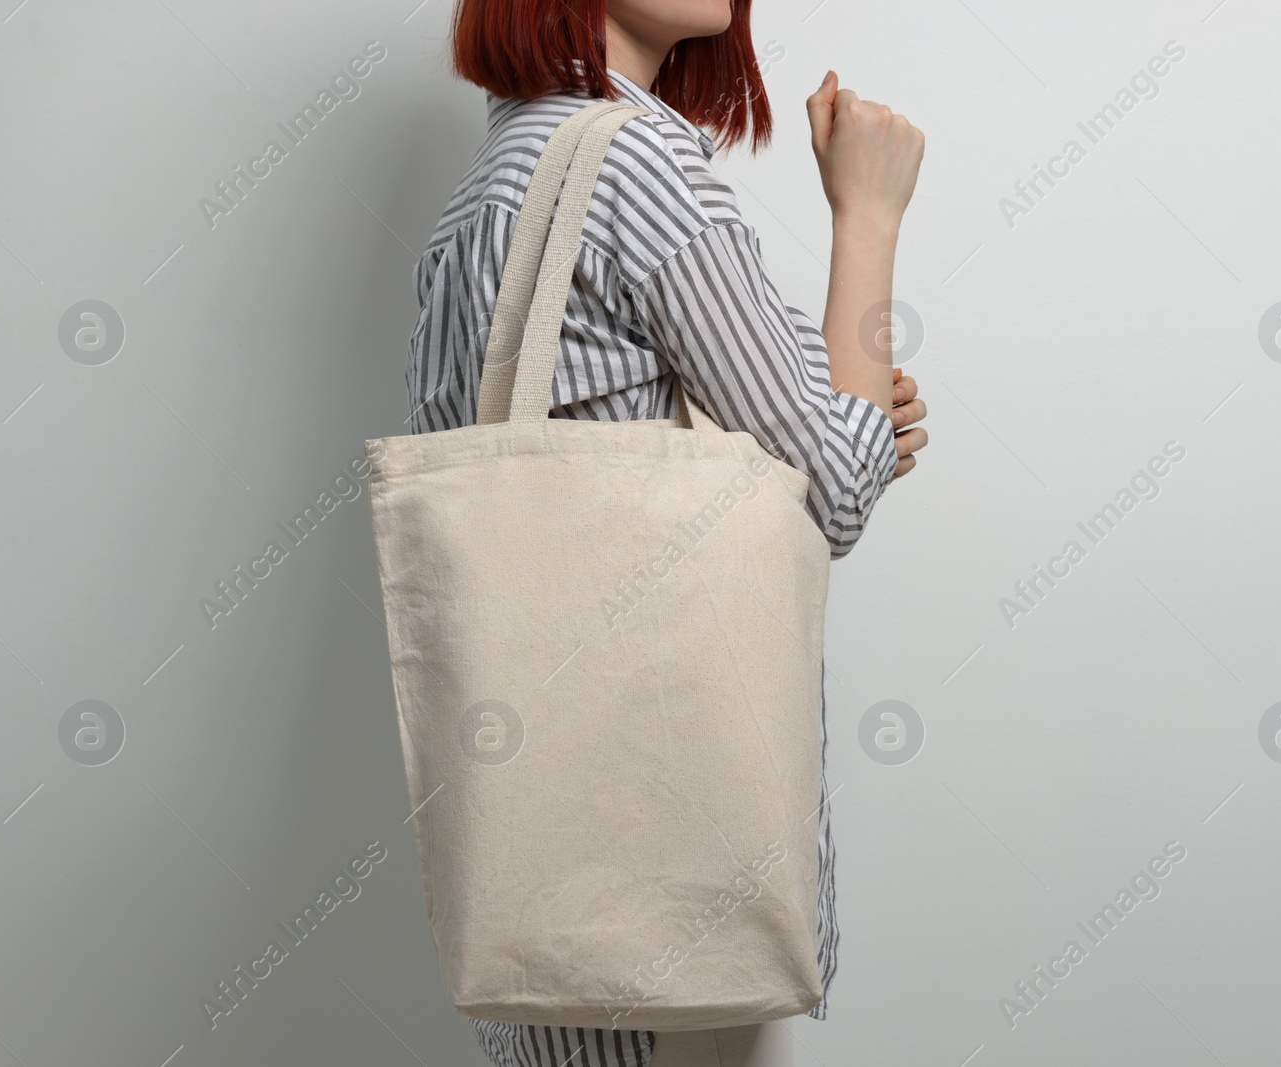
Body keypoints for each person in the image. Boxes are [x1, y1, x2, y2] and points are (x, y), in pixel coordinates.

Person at [405, 2, 928, 1063]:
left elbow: (811, 429)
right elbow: (829, 489)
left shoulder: (500, 173)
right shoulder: (635, 163)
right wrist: (867, 215)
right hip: (671, 904)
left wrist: (848, 419)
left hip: (543, 897)